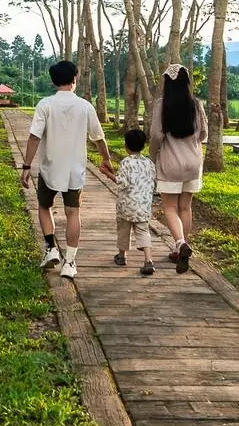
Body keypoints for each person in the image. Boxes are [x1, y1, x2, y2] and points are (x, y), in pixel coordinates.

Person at [19, 60, 115, 279]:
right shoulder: (85, 106)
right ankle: (70, 263)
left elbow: (34, 136)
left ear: (53, 81)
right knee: (73, 213)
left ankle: (51, 248)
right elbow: (98, 137)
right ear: (75, 79)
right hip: (74, 171)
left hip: (49, 168)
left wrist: (26, 166)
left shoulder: (45, 104)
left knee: (44, 207)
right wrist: (107, 159)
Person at [149, 63, 207, 274]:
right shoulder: (196, 104)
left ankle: (180, 243)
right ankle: (182, 245)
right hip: (193, 163)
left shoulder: (161, 105)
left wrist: (152, 154)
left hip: (170, 163)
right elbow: (203, 134)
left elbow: (156, 136)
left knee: (170, 208)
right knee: (185, 207)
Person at [113, 128, 156, 276]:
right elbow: (152, 181)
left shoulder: (126, 162)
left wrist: (108, 174)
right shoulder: (149, 163)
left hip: (126, 205)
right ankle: (148, 260)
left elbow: (122, 183)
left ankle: (122, 256)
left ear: (126, 146)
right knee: (143, 231)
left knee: (123, 230)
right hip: (143, 205)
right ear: (143, 146)